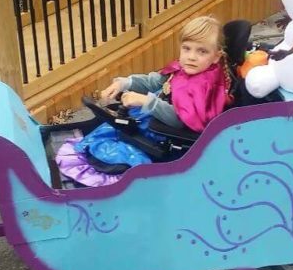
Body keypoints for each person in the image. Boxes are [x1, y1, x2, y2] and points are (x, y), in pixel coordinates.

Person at [56, 16, 232, 187]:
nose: (191, 56)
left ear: (216, 56)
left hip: (165, 134)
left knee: (112, 148)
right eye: (186, 48)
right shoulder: (184, 69)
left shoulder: (204, 86)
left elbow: (181, 120)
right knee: (106, 131)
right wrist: (125, 82)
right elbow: (154, 81)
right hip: (151, 119)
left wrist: (147, 101)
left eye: (202, 51)